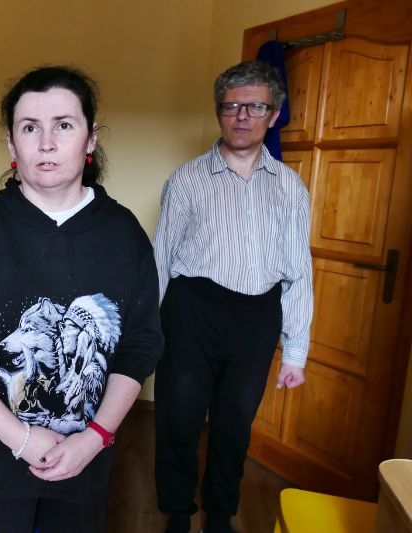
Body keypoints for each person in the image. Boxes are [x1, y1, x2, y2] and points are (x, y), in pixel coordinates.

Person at [0, 66, 164, 532]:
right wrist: (21, 437)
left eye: (63, 125)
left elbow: (140, 346)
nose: (46, 143)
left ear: (91, 138)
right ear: (12, 145)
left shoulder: (124, 235)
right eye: (30, 128)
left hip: (82, 465)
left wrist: (95, 437)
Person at [153, 60, 313, 533]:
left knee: (234, 424)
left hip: (256, 318)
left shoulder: (289, 186)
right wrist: (145, 336)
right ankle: (177, 511)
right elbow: (160, 258)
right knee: (179, 419)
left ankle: (220, 513)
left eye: (255, 106)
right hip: (192, 311)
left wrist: (296, 351)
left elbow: (298, 270)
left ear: (274, 115)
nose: (242, 116)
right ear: (219, 113)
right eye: (231, 106)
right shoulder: (186, 179)